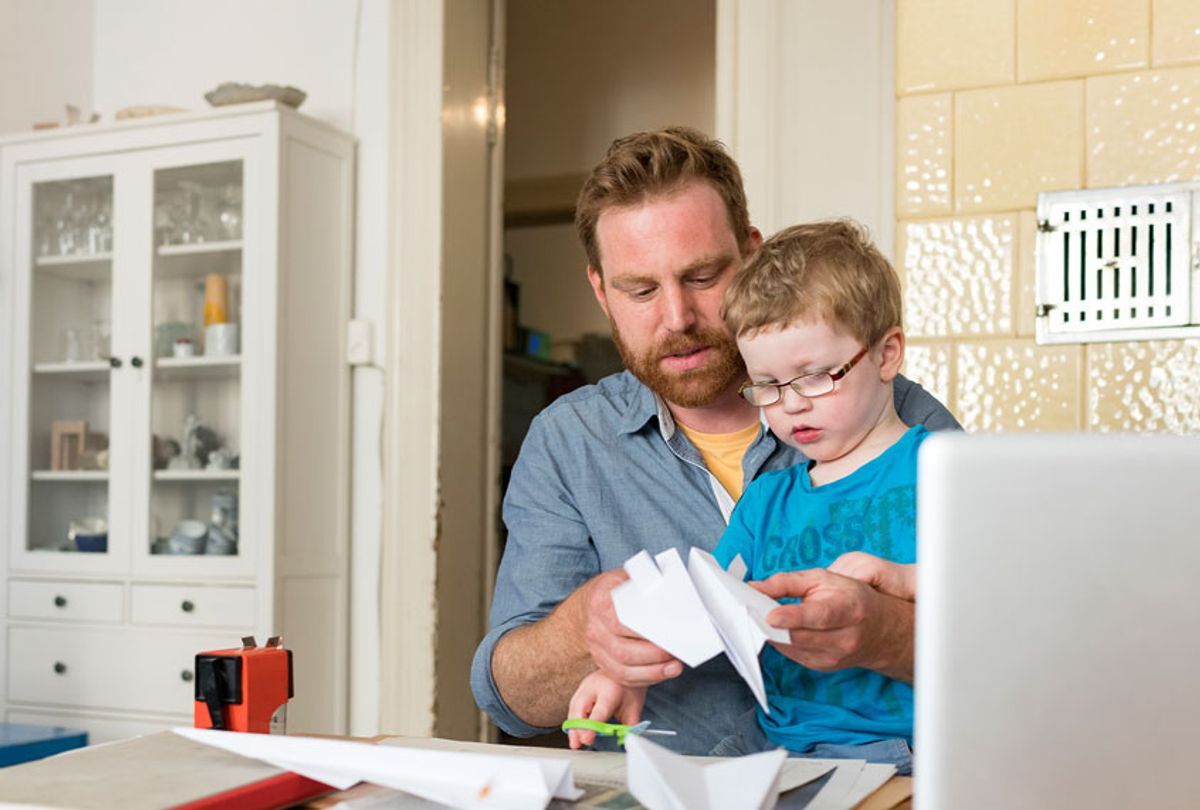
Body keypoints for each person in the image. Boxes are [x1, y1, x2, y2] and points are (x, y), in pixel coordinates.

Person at [470, 127, 959, 755]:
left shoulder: (895, 413)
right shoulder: (570, 441)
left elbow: (1015, 647)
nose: (677, 317)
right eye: (640, 290)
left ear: (751, 256)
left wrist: (886, 632)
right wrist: (586, 633)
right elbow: (506, 698)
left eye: (702, 276)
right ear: (601, 290)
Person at [566, 220, 924, 773]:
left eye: (812, 377)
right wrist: (621, 673)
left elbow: (1002, 606)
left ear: (886, 354)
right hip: (772, 747)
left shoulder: (940, 470)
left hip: (898, 753)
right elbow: (706, 600)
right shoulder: (766, 501)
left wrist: (902, 582)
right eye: (768, 386)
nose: (790, 406)